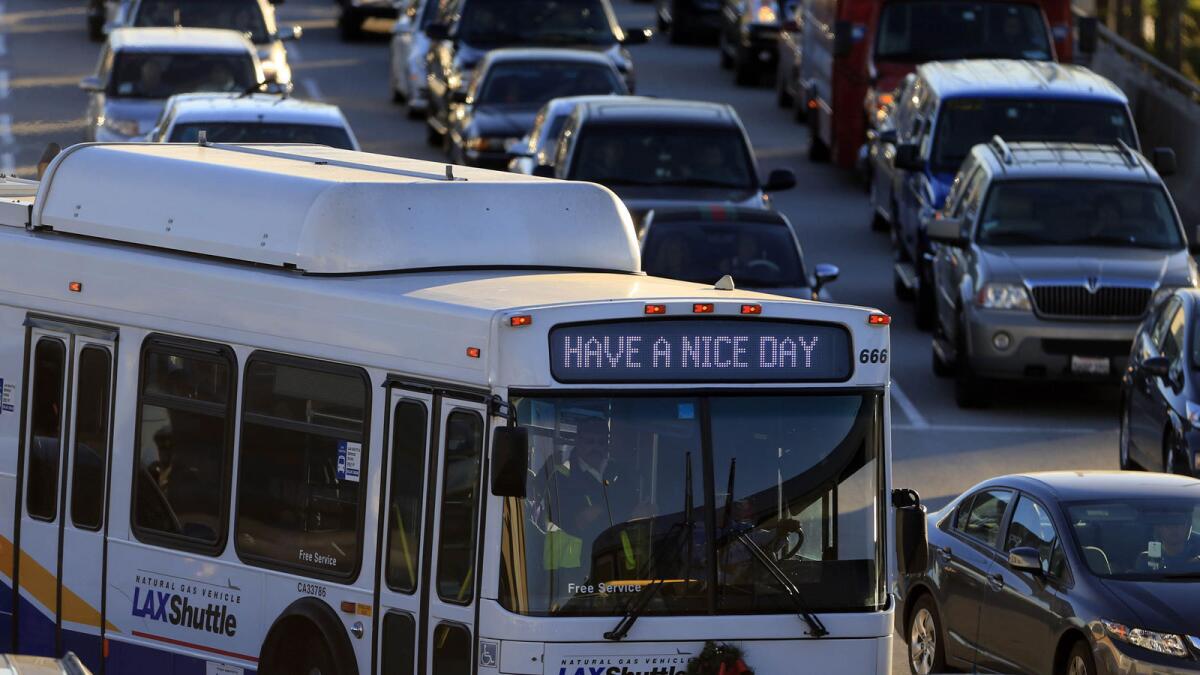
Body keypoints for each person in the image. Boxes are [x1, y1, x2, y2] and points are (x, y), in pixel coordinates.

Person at [1135, 508, 1200, 572]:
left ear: (1187, 527)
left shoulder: (1198, 558)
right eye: (1168, 522)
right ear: (1158, 528)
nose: (1173, 527)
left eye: (1179, 521)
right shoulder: (1146, 560)